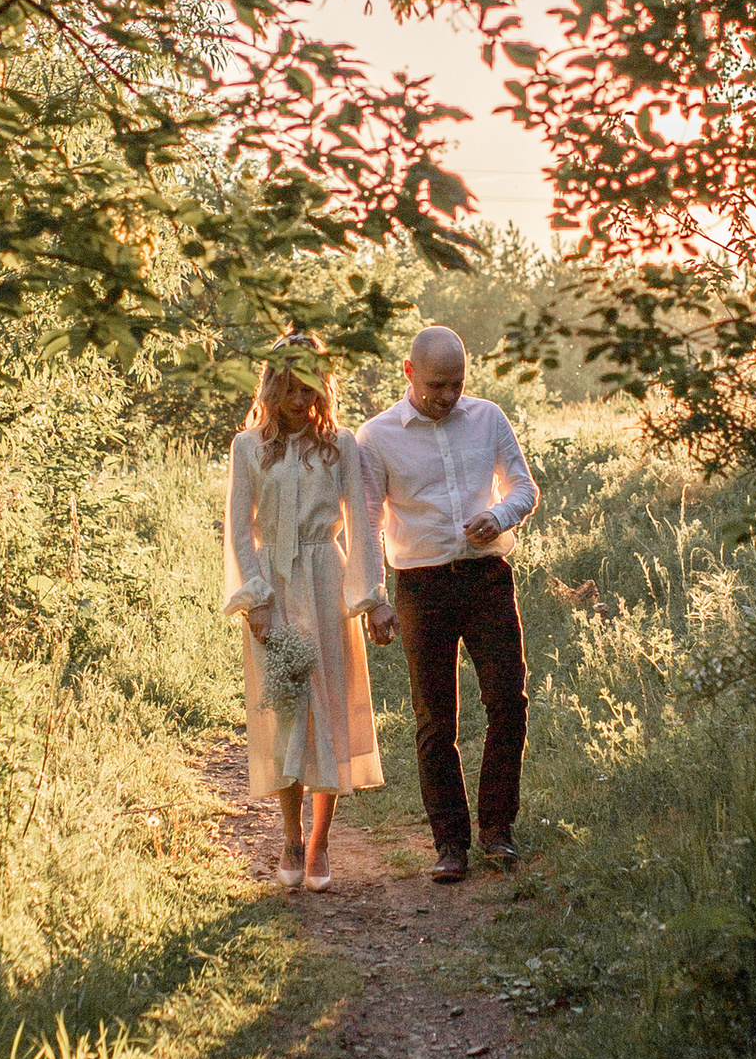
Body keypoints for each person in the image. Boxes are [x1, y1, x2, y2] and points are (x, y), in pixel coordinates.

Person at [357, 324, 539, 883]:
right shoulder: (376, 437)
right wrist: (373, 599)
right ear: (409, 373)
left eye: (457, 384)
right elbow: (365, 522)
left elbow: (523, 488)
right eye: (437, 385)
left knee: (508, 700)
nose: (448, 396)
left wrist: (500, 515)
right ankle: (450, 845)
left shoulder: (488, 417)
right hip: (420, 586)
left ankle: (497, 831)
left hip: (487, 577)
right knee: (436, 719)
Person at [223, 349, 394, 891]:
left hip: (326, 583)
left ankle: (321, 841)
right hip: (274, 583)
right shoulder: (249, 448)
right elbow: (239, 530)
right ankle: (290, 833)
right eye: (290, 389)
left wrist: (372, 597)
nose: (300, 401)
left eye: (310, 390)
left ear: (323, 389)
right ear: (271, 389)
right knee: (288, 712)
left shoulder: (340, 445)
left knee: (329, 710)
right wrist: (257, 601)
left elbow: (364, 526)